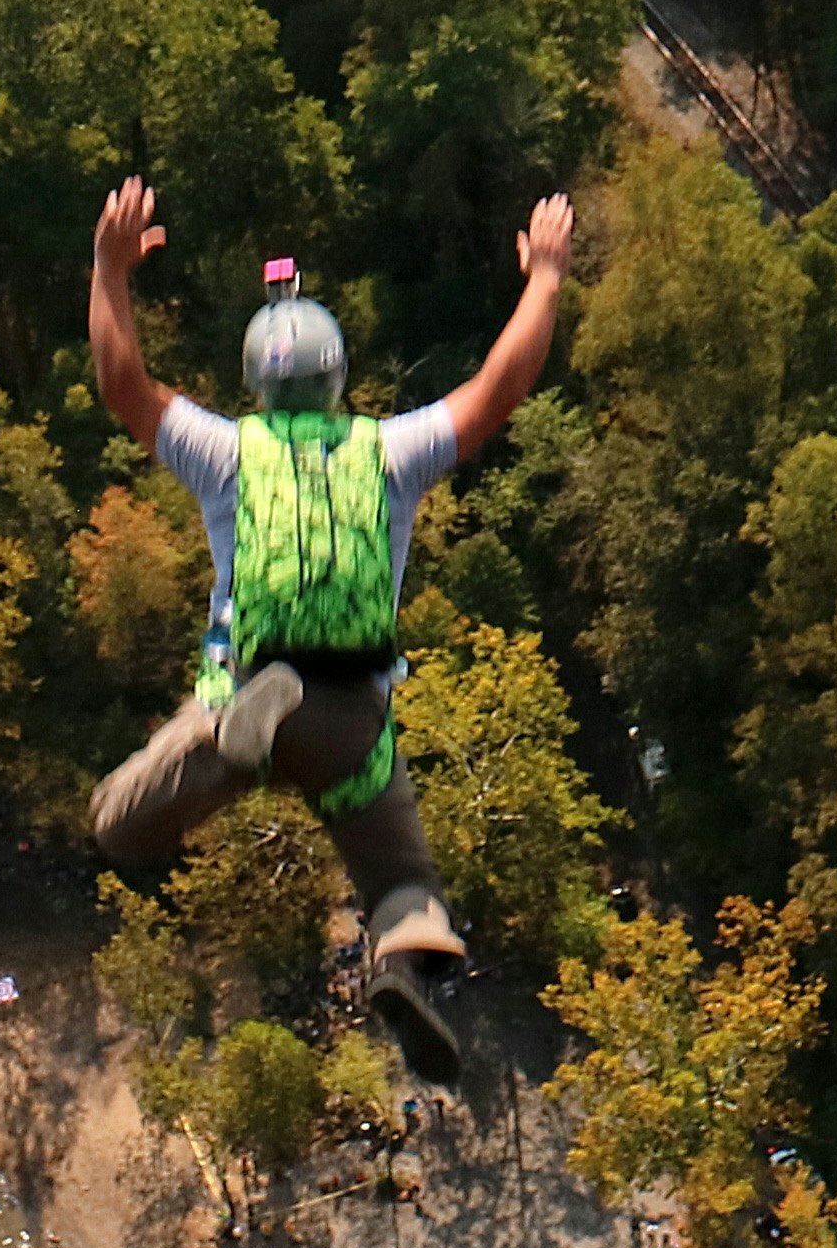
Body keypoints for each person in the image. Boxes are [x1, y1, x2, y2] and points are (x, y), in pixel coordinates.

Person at [81, 172, 575, 1081]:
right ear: (340, 379)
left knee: (119, 825)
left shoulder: (225, 452)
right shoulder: (392, 454)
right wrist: (543, 277)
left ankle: (243, 734)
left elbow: (124, 384)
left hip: (249, 698)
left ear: (256, 387)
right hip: (354, 724)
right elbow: (498, 389)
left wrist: (110, 269)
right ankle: (399, 965)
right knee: (404, 887)